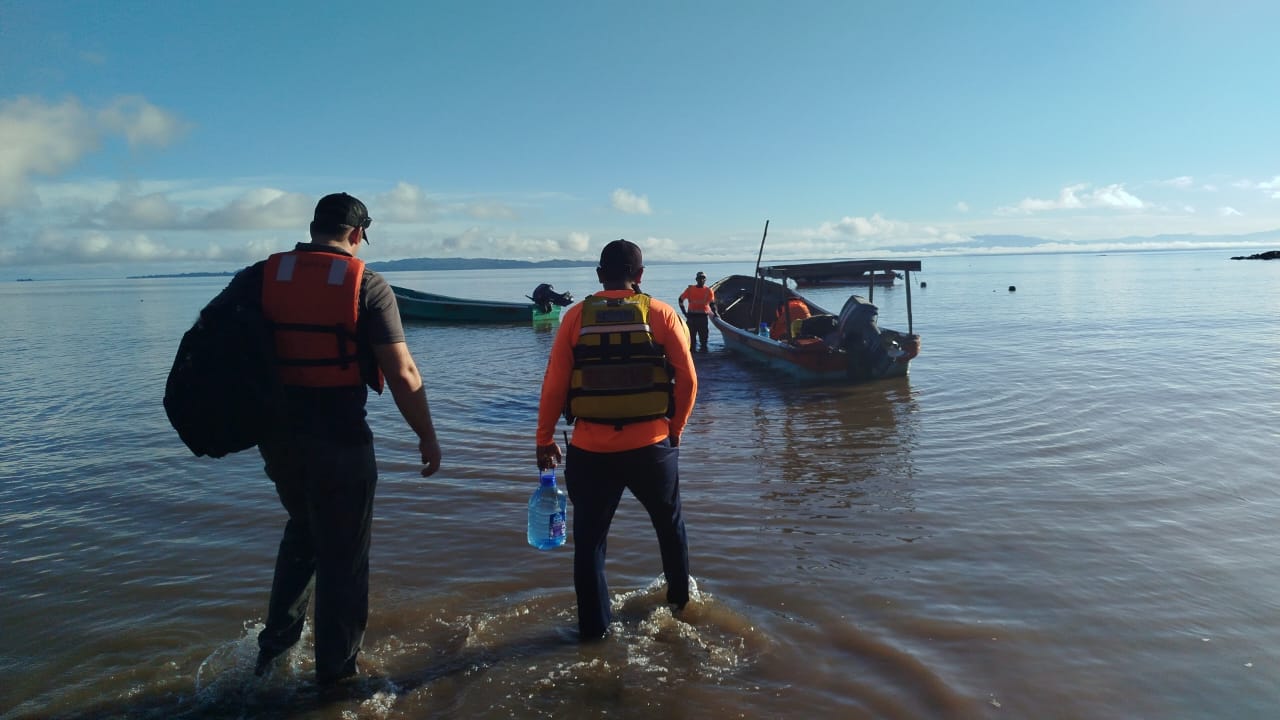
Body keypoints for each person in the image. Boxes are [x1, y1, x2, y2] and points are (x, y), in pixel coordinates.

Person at [210, 192, 442, 685]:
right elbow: (401, 372)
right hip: (339, 440)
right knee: (345, 559)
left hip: (278, 443)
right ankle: (336, 681)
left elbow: (218, 343)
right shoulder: (368, 285)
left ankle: (270, 658)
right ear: (357, 235)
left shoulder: (259, 276)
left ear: (313, 227)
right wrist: (427, 435)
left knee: (304, 530)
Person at [535, 239, 698, 640]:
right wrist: (674, 430)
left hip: (591, 451)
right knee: (669, 526)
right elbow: (689, 380)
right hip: (652, 448)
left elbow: (554, 385)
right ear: (639, 276)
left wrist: (543, 439)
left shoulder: (575, 317)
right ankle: (679, 607)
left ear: (598, 274)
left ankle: (594, 632)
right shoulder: (661, 313)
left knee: (590, 541)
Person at [677, 271, 716, 352]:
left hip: (702, 318)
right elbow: (680, 300)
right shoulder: (690, 289)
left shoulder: (709, 291)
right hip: (692, 318)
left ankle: (703, 356)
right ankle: (692, 358)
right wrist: (684, 313)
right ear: (696, 279)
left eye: (703, 278)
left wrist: (716, 313)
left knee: (704, 341)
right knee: (691, 341)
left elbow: (712, 304)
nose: (701, 280)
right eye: (700, 278)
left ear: (705, 280)